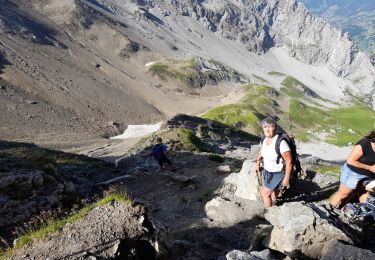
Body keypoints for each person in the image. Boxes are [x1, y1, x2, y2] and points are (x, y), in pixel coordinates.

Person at [330, 130, 375, 208]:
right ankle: (329, 211)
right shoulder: (364, 144)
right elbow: (350, 161)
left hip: (370, 176)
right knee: (343, 194)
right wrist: (370, 167)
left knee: (364, 192)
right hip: (353, 173)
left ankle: (365, 216)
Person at [256, 117, 293, 208]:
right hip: (267, 171)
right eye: (265, 127)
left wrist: (286, 178)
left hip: (278, 173)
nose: (267, 129)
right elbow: (261, 152)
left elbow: (289, 162)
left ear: (275, 128)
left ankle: (269, 214)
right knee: (273, 192)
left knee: (265, 194)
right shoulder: (263, 140)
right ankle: (274, 202)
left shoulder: (281, 143)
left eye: (270, 127)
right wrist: (257, 163)